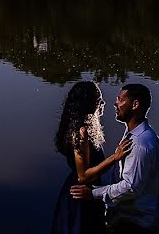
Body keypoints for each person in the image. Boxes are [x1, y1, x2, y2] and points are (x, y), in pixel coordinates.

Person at [70, 83, 159, 233]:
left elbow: (130, 187)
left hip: (136, 223)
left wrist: (93, 194)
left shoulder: (139, 143)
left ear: (135, 105)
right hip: (127, 218)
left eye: (120, 99)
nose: (115, 103)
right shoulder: (134, 135)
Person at [52, 81, 133, 234]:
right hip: (80, 195)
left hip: (87, 193)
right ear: (88, 104)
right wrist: (115, 157)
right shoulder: (80, 132)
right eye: (98, 100)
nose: (102, 103)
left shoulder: (82, 128)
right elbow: (83, 176)